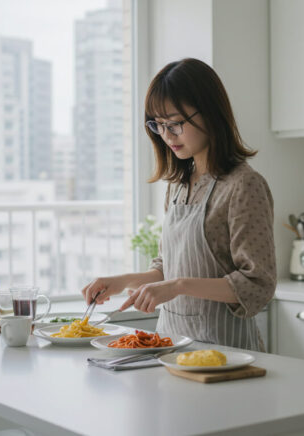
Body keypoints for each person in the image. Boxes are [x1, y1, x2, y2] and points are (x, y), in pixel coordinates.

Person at [81, 58, 276, 351]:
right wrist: (121, 282)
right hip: (170, 347)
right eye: (158, 125)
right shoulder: (178, 185)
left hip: (227, 355)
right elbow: (167, 268)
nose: (166, 135)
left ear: (210, 113)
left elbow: (257, 284)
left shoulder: (243, 186)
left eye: (175, 124)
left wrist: (179, 286)